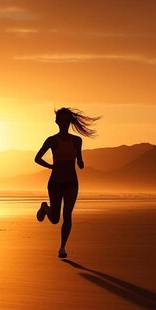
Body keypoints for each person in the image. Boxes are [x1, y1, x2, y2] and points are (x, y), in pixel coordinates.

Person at [34, 107, 100, 258]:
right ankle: (45, 207)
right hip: (55, 183)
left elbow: (80, 159)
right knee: (56, 219)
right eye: (61, 120)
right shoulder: (51, 140)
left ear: (69, 122)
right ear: (57, 122)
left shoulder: (77, 140)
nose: (64, 123)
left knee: (68, 214)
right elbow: (37, 158)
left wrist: (81, 163)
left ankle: (62, 247)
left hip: (72, 182)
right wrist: (51, 166)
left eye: (66, 120)